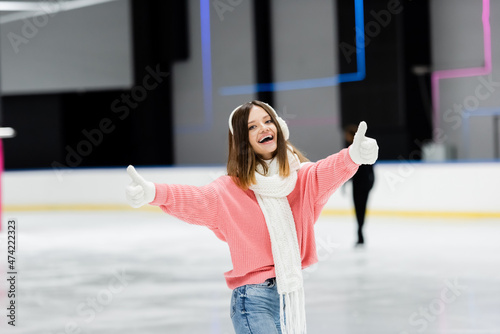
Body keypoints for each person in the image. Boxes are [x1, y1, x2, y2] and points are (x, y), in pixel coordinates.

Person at [125, 101, 378, 334]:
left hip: (285, 297)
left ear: (279, 127)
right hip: (252, 301)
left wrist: (353, 156)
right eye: (252, 126)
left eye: (268, 121)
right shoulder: (230, 190)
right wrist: (153, 192)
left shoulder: (302, 180)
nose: (264, 128)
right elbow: (194, 198)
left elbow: (328, 170)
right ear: (243, 140)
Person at [344, 124, 375, 247]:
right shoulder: (350, 149)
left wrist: (371, 182)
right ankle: (359, 232)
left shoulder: (362, 148)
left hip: (363, 184)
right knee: (358, 209)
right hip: (357, 184)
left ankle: (360, 232)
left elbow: (370, 167)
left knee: (361, 209)